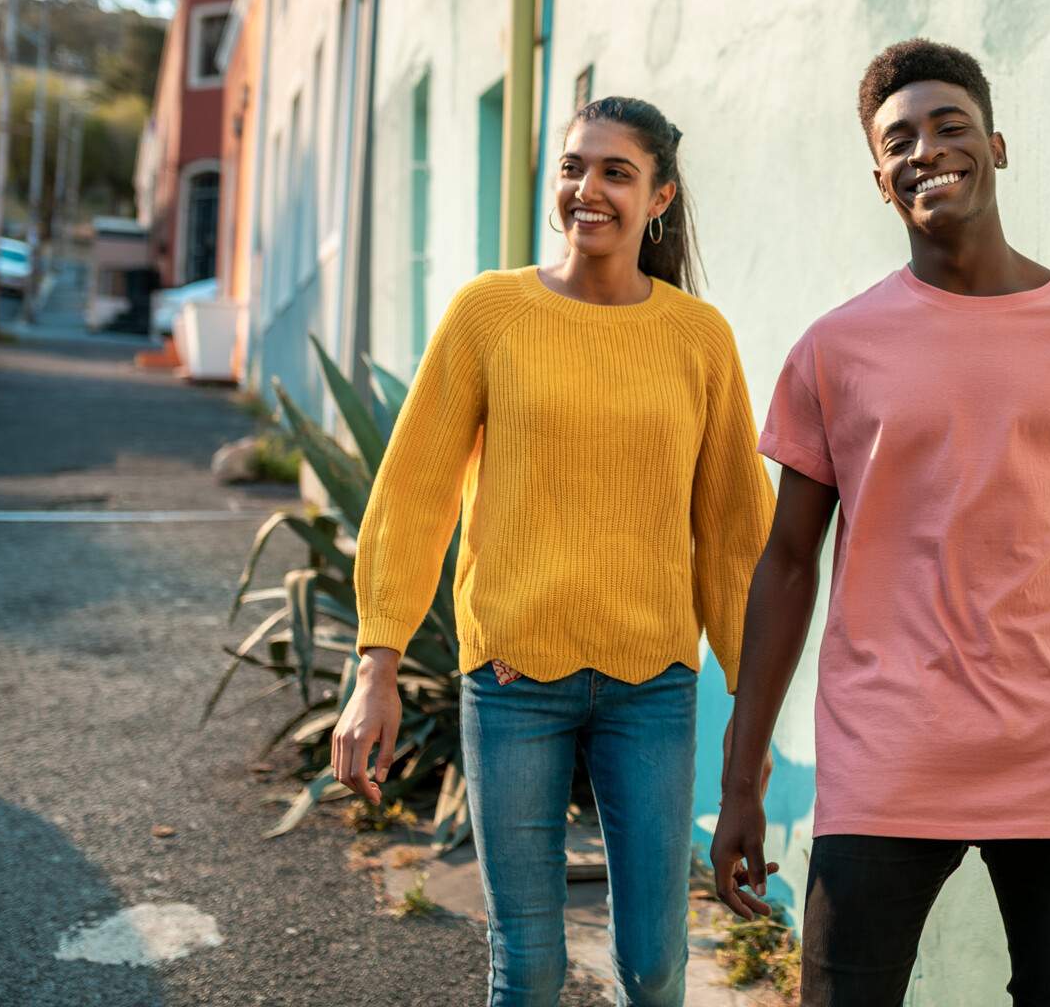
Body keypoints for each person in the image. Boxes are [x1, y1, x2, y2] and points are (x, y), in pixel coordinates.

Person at [712, 39, 1050, 1005]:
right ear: (880, 179)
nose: (927, 149)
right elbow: (788, 564)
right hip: (885, 744)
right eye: (900, 139)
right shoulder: (835, 349)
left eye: (950, 125)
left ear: (997, 145)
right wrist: (741, 781)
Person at [332, 97, 774, 1007]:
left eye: (616, 171)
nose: (588, 188)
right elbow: (413, 492)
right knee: (526, 967)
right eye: (575, 166)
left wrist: (754, 714)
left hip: (651, 683)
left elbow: (736, 536)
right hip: (510, 682)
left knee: (654, 969)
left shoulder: (699, 338)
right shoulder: (491, 312)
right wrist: (376, 663)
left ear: (659, 197)